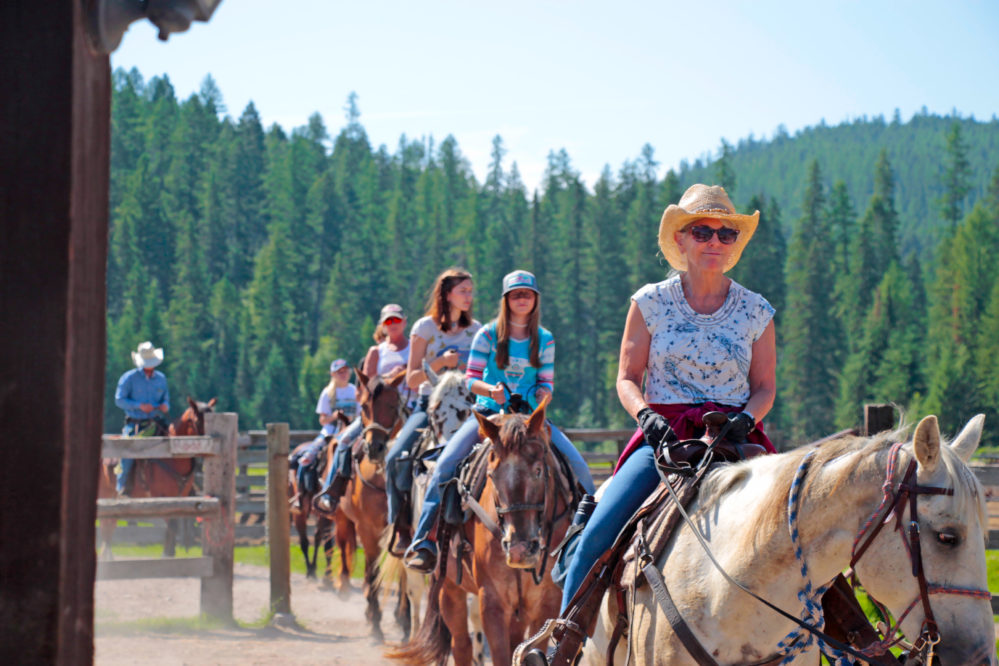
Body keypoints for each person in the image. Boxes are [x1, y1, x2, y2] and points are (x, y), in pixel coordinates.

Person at [529, 184, 777, 665]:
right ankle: (564, 645)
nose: (714, 241)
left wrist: (746, 419)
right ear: (681, 239)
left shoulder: (756, 310)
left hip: (735, 435)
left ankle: (843, 639)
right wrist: (645, 415)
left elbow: (765, 386)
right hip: (664, 434)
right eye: (702, 230)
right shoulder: (650, 302)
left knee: (795, 520)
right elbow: (626, 377)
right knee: (600, 531)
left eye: (726, 233)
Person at [403, 270, 596, 574]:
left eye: (527, 294)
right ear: (506, 300)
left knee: (580, 470)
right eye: (516, 294)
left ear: (535, 300)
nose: (522, 299)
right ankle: (424, 541)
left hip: (530, 420)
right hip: (490, 418)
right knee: (445, 464)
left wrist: (538, 396)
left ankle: (586, 540)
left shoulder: (544, 339)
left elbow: (547, 383)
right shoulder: (487, 335)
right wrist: (491, 391)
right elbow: (470, 379)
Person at [384, 268, 481, 555]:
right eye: (462, 290)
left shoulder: (477, 330)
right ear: (447, 294)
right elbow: (412, 377)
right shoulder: (424, 328)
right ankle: (401, 527)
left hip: (470, 408)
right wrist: (440, 363)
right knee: (395, 458)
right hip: (431, 407)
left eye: (470, 291)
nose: (468, 296)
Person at [315, 303, 412, 512]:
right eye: (388, 321)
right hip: (377, 412)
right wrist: (389, 378)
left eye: (396, 320)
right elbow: (364, 388)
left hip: (408, 409)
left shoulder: (415, 347)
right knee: (344, 440)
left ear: (404, 322)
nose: (392, 324)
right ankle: (333, 490)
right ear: (383, 325)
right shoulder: (377, 351)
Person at [290, 359, 357, 509]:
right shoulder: (328, 393)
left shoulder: (354, 391)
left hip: (351, 431)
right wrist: (334, 416)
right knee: (306, 459)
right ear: (333, 374)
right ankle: (299, 495)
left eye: (345, 371)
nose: (344, 374)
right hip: (330, 432)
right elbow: (322, 419)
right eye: (340, 372)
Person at [114, 341, 171, 496]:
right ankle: (122, 487)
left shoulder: (161, 379)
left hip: (156, 422)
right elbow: (119, 400)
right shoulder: (129, 378)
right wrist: (139, 405)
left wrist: (165, 406)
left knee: (176, 447)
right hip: (135, 424)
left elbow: (166, 400)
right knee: (127, 453)